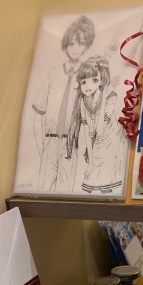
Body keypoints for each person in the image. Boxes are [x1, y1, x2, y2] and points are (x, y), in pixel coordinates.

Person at [32, 15, 96, 192]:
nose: (75, 48)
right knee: (43, 188)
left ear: (86, 46)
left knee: (65, 189)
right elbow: (38, 113)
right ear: (66, 44)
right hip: (50, 140)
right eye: (72, 43)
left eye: (80, 44)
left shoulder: (88, 76)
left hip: (71, 143)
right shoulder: (53, 74)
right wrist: (42, 145)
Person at [66, 55, 124, 194]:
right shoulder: (84, 101)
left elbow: (100, 130)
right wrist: (90, 162)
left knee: (105, 186)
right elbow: (87, 133)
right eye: (83, 82)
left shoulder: (111, 97)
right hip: (95, 144)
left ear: (102, 80)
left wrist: (103, 99)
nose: (87, 86)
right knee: (90, 180)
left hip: (110, 143)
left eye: (94, 80)